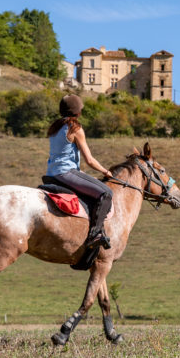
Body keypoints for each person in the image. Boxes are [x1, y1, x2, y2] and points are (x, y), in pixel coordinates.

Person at [46, 94, 113, 248]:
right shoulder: (75, 128)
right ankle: (95, 235)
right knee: (106, 193)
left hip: (52, 173)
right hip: (66, 173)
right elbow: (89, 160)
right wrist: (105, 172)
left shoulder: (55, 127)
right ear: (77, 112)